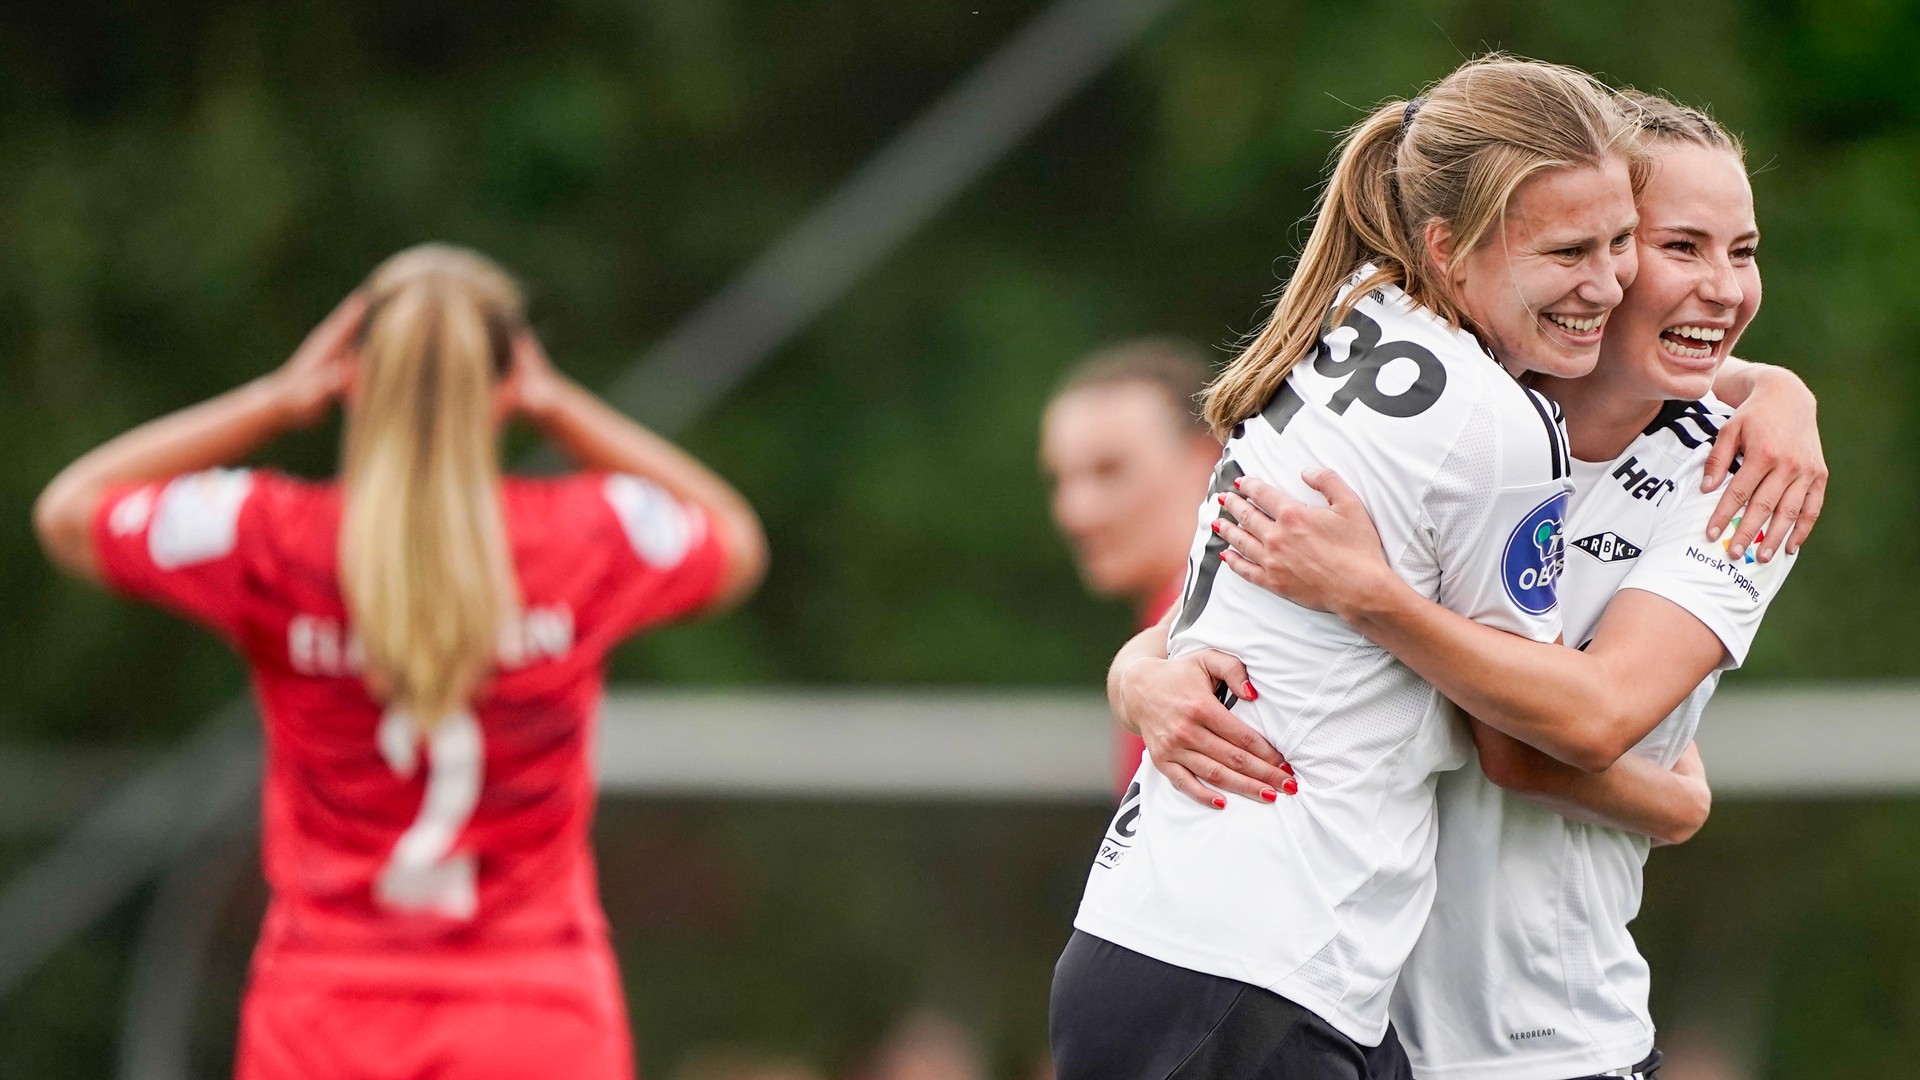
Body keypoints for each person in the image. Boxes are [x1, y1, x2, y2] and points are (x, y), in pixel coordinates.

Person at [1112, 93, 1821, 1080]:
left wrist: (1379, 600)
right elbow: (1247, 579)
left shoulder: (1748, 478)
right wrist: (1140, 668)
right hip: (1349, 1015)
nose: (1723, 287)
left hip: (1549, 1046)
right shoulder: (1454, 409)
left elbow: (1577, 725)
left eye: (1742, 252)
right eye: (1680, 246)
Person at [1050, 55, 1650, 1080]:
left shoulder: (1351, 313)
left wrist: (1767, 391)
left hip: (1182, 954)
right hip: (1249, 978)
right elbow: (1549, 728)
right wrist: (1677, 800)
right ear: (1447, 248)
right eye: (1568, 250)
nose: (1608, 282)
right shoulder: (1497, 426)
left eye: (1623, 241)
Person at [32, 245, 768, 1080]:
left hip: (326, 1019)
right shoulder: (590, 535)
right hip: (536, 1018)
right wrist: (562, 409)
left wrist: (274, 400)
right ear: (505, 384)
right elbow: (735, 540)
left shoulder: (272, 537)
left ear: (351, 376)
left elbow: (70, 512)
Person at [1039, 339, 1233, 794]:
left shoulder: (1218, 633)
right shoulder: (1168, 634)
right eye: (1059, 479)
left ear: (1209, 461)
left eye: (1109, 470)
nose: (1073, 512)